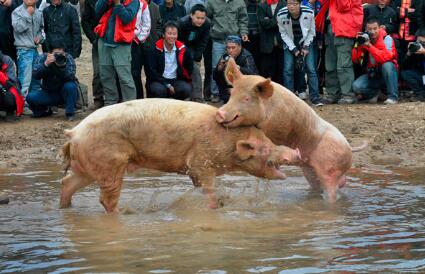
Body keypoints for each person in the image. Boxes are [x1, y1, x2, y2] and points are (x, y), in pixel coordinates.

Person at [277, 0, 323, 106]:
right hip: (290, 41)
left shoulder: (309, 12)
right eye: (289, 4)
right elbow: (283, 33)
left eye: (294, 4)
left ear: (300, 4)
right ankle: (289, 98)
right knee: (288, 68)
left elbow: (312, 31)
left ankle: (315, 97)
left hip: (306, 39)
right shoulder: (281, 14)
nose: (291, 6)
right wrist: (293, 49)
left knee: (311, 68)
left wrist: (306, 47)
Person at [95, 0, 140, 106]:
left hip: (121, 44)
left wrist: (117, 4)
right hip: (104, 41)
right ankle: (110, 103)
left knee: (124, 77)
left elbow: (127, 18)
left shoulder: (134, 2)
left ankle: (130, 105)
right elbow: (97, 10)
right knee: (106, 75)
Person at [321, 0, 363, 104]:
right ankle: (333, 94)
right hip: (330, 28)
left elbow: (344, 5)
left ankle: (347, 94)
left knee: (343, 65)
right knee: (330, 65)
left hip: (344, 30)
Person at [206, 0, 249, 103]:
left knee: (235, 67)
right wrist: (213, 29)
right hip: (218, 40)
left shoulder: (239, 2)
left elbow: (243, 19)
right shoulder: (212, 2)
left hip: (234, 40)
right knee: (216, 67)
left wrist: (243, 32)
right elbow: (207, 17)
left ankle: (235, 92)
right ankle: (215, 93)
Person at [26, 39, 78, 120]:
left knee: (71, 86)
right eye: (56, 54)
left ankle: (70, 113)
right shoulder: (43, 58)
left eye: (61, 53)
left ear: (64, 52)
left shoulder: (68, 58)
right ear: (49, 53)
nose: (58, 56)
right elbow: (35, 75)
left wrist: (62, 67)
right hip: (48, 93)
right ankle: (42, 112)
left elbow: (71, 76)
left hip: (64, 93)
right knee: (30, 97)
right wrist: (46, 64)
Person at [352, 17, 399, 104]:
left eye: (375, 29)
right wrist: (358, 44)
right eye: (369, 29)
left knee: (387, 65)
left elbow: (386, 58)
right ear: (366, 29)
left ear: (380, 28)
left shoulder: (387, 38)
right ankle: (377, 94)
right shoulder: (365, 39)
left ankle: (393, 97)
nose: (372, 32)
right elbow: (356, 60)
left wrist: (369, 46)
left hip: (389, 73)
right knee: (356, 86)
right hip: (373, 74)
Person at [146, 21, 193, 100]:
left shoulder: (183, 49)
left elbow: (189, 67)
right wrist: (167, 85)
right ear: (163, 35)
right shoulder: (154, 49)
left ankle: (174, 104)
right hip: (159, 80)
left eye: (174, 34)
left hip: (175, 80)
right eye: (169, 33)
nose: (172, 36)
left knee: (186, 89)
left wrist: (183, 77)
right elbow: (151, 71)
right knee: (159, 90)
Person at [12, 0, 44, 98]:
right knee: (25, 81)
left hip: (35, 50)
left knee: (36, 80)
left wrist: (39, 38)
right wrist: (28, 15)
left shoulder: (39, 12)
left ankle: (34, 104)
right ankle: (23, 105)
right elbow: (18, 28)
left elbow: (41, 30)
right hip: (23, 51)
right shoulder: (17, 12)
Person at [178, 4, 210, 102]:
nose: (200, 20)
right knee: (182, 68)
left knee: (195, 68)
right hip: (181, 45)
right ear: (191, 15)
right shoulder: (182, 23)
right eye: (197, 18)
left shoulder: (207, 23)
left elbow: (204, 41)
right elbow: (178, 39)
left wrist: (197, 55)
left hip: (195, 46)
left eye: (202, 18)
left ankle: (197, 97)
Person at [213, 35, 258, 103]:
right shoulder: (226, 56)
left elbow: (252, 73)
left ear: (239, 47)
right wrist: (219, 68)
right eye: (228, 48)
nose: (230, 50)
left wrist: (238, 67)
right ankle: (225, 97)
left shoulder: (246, 56)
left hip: (244, 88)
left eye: (233, 47)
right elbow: (215, 77)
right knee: (220, 73)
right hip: (229, 87)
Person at [81, 0, 105, 109]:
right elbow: (85, 21)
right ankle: (98, 98)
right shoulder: (89, 1)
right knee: (98, 71)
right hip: (98, 39)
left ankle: (113, 98)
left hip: (114, 38)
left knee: (115, 71)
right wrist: (93, 38)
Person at [257, 0, 286, 85]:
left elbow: (285, 22)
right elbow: (263, 23)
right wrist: (278, 21)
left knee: (281, 70)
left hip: (281, 42)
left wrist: (270, 20)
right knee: (267, 70)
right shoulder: (262, 5)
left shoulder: (284, 4)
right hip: (267, 44)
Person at [130, 0, 151, 99]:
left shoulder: (143, 4)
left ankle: (138, 98)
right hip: (120, 42)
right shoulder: (121, 2)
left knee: (135, 73)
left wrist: (137, 39)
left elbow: (146, 25)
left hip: (135, 43)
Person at [400, 29, 425, 101]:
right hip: (422, 77)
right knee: (406, 73)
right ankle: (420, 94)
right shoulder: (415, 48)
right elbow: (404, 67)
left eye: (424, 43)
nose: (421, 45)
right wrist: (409, 54)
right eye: (419, 42)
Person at [0, 51, 24, 119]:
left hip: (6, 89)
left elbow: (11, 80)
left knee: (9, 96)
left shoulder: (6, 59)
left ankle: (10, 111)